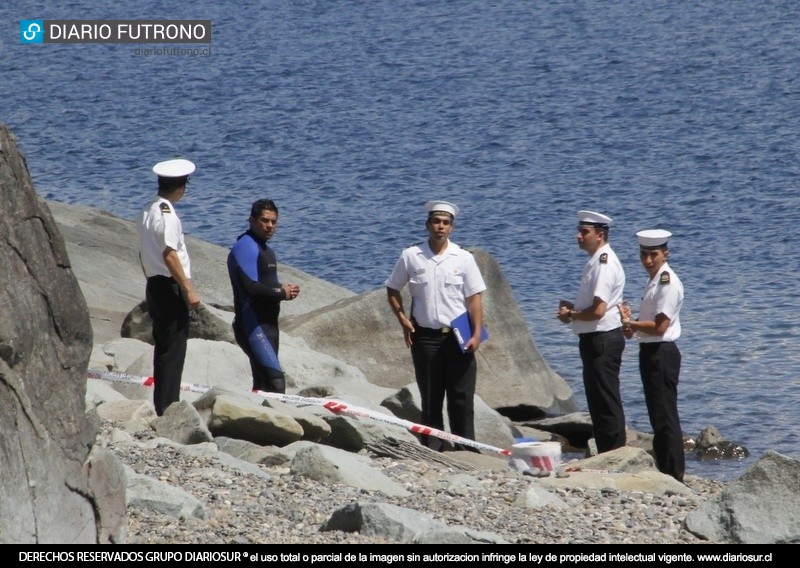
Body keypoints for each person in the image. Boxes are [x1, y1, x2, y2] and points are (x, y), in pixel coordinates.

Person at [385, 200, 487, 451]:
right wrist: (403, 321)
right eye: (436, 221)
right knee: (431, 397)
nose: (440, 227)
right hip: (425, 337)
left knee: (461, 398)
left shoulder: (463, 258)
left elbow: (474, 299)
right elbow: (393, 288)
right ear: (427, 224)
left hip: (457, 336)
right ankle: (433, 447)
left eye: (445, 223)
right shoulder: (412, 256)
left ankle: (466, 450)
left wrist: (476, 334)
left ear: (452, 227)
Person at [556, 210, 627, 453]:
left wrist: (571, 315)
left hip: (602, 338)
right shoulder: (597, 261)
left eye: (585, 232)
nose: (579, 236)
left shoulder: (604, 263)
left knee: (605, 401)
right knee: (598, 401)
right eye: (580, 231)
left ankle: (614, 454)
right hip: (595, 337)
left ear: (600, 235)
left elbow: (598, 311)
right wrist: (574, 309)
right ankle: (607, 450)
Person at [137, 158, 201, 416]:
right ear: (181, 186)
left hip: (155, 284)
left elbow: (143, 252)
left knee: (164, 347)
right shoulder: (167, 215)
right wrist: (189, 290)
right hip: (169, 285)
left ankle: (163, 404)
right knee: (173, 350)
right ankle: (168, 407)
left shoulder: (147, 210)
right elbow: (170, 255)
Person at [620, 229, 685, 482]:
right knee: (658, 414)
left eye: (653, 255)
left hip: (662, 353)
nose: (647, 260)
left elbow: (660, 326)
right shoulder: (656, 280)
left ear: (665, 254)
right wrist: (630, 322)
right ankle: (666, 468)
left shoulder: (667, 282)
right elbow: (648, 325)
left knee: (665, 415)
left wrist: (631, 323)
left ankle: (674, 473)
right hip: (651, 350)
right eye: (644, 254)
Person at [227, 199, 300, 393]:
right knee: (275, 382)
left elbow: (266, 284)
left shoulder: (266, 250)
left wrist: (282, 287)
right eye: (264, 220)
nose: (270, 226)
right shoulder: (245, 246)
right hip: (252, 326)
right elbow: (251, 287)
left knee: (262, 383)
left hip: (269, 326)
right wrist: (281, 293)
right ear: (251, 220)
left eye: (274, 222)